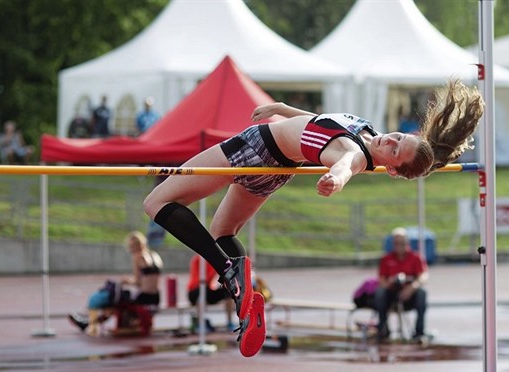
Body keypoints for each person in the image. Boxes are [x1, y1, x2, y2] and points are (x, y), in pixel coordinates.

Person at [143, 78, 484, 357]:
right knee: (223, 230)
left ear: (391, 171)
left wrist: (336, 179)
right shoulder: (366, 130)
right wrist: (282, 110)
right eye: (398, 138)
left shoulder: (357, 155)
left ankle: (230, 274)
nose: (390, 141)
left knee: (156, 202)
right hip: (276, 169)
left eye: (394, 151)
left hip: (255, 148)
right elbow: (322, 123)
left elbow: (345, 164)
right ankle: (244, 300)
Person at [68, 231, 163, 335]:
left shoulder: (137, 257)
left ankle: (88, 321)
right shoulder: (154, 256)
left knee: (114, 301)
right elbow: (151, 279)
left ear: (134, 246)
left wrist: (126, 281)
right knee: (120, 297)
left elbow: (138, 282)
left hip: (144, 298)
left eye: (131, 246)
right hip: (156, 298)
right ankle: (87, 321)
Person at [374, 227, 429, 344]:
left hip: (410, 293)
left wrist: (412, 287)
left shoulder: (415, 257)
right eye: (396, 243)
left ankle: (419, 332)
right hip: (391, 292)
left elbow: (423, 276)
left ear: (407, 243)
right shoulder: (386, 258)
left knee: (422, 293)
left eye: (402, 243)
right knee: (380, 293)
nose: (399, 246)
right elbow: (381, 279)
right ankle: (383, 329)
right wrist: (390, 282)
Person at [187, 254, 236, 333]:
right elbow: (201, 280)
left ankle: (230, 322)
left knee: (229, 290)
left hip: (207, 289)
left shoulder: (215, 260)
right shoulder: (198, 259)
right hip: (194, 290)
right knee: (202, 291)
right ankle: (200, 324)